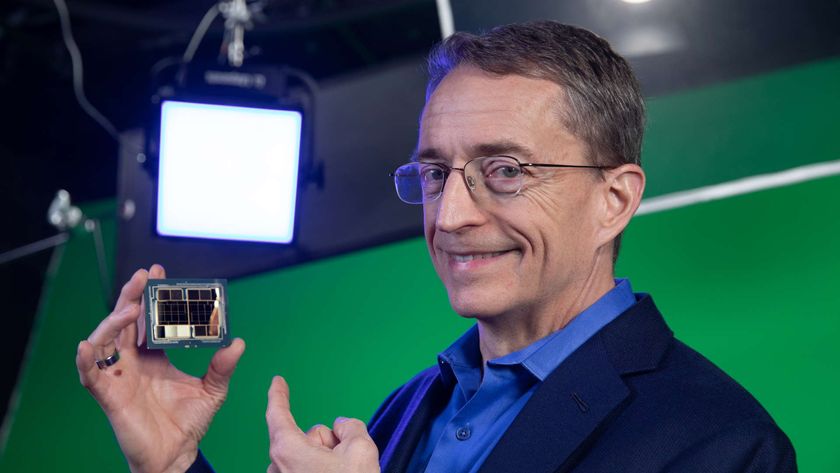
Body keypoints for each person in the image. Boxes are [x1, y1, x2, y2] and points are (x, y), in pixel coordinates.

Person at [77, 21, 796, 473]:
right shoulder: (410, 406)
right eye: (433, 172)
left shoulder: (722, 444)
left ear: (615, 199)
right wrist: (173, 463)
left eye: (505, 171)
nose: (449, 214)